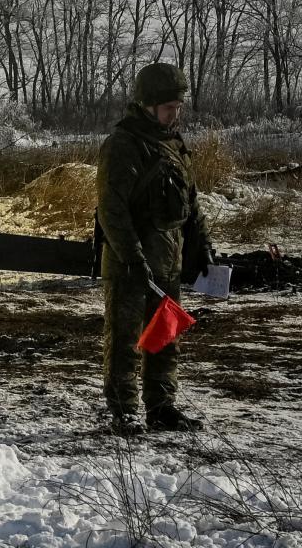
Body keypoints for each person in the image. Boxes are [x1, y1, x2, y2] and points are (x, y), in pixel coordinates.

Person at [95, 62, 214, 433]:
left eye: (178, 108)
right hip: (130, 261)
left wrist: (202, 246)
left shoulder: (174, 144)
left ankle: (162, 407)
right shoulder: (123, 145)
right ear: (147, 105)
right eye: (168, 109)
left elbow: (189, 203)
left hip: (169, 260)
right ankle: (124, 410)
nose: (174, 115)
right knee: (125, 340)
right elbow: (111, 210)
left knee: (164, 337)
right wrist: (132, 257)